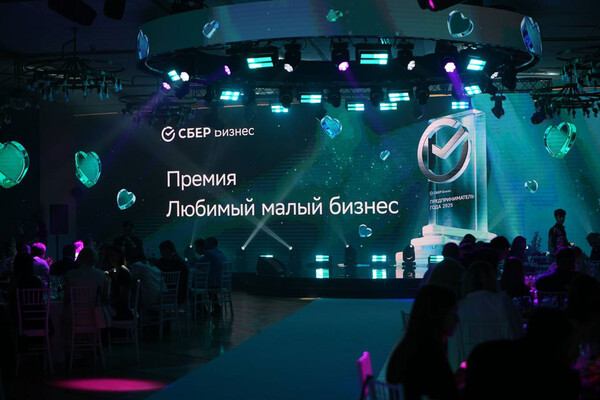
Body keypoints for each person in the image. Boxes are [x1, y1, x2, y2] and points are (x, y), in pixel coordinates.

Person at [386, 285, 459, 400]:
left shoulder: (404, 351)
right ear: (439, 316)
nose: (457, 319)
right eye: (453, 313)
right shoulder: (432, 358)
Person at [448, 261, 522, 370]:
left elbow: (454, 351)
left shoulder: (460, 308)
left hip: (470, 372)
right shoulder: (503, 303)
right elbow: (516, 336)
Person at [105, 246, 133, 320]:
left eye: (113, 255)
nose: (111, 257)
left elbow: (123, 297)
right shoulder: (114, 271)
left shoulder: (123, 272)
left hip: (121, 310)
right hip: (115, 308)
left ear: (120, 256)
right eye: (109, 255)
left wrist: (108, 302)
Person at [158, 240, 189, 305]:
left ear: (167, 250)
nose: (161, 254)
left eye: (162, 251)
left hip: (176, 293)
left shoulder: (174, 262)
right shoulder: (177, 259)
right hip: (183, 291)